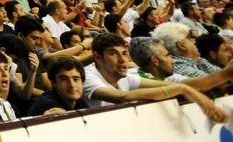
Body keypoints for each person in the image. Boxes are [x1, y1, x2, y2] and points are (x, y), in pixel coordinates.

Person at [82, 33, 225, 121]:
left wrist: (226, 74)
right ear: (98, 58)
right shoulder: (88, 76)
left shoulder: (126, 77)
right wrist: (181, 89)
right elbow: (121, 97)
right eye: (113, 53)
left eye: (124, 53)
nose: (122, 60)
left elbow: (186, 85)